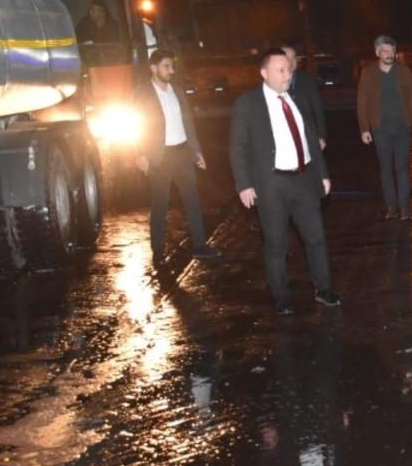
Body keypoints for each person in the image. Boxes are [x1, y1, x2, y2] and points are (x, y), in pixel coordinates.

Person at [229, 48, 339, 315]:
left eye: (288, 69)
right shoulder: (248, 103)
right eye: (280, 70)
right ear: (264, 73)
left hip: (304, 181)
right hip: (272, 185)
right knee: (276, 244)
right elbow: (237, 146)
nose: (287, 74)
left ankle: (323, 288)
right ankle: (281, 297)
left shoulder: (296, 99)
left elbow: (311, 139)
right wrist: (244, 184)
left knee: (316, 237)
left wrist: (323, 174)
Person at [133, 49, 218, 267]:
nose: (171, 70)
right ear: (154, 68)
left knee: (192, 200)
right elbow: (136, 125)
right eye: (166, 66)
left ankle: (200, 246)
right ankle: (158, 253)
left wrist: (196, 151)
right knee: (160, 205)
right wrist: (140, 153)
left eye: (172, 66)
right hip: (159, 157)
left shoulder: (177, 91)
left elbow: (188, 122)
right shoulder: (143, 94)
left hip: (182, 153)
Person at [356, 35, 412, 220]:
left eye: (392, 51)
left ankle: (405, 208)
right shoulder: (368, 73)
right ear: (377, 52)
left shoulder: (404, 71)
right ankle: (391, 206)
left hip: (403, 126)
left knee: (402, 168)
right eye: (385, 51)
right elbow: (362, 101)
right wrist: (364, 128)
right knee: (385, 168)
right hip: (380, 128)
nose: (389, 54)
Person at [281, 44, 327, 151]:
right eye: (287, 58)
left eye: (294, 57)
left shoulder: (308, 81)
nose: (292, 61)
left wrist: (321, 136)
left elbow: (318, 110)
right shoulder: (274, 83)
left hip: (307, 136)